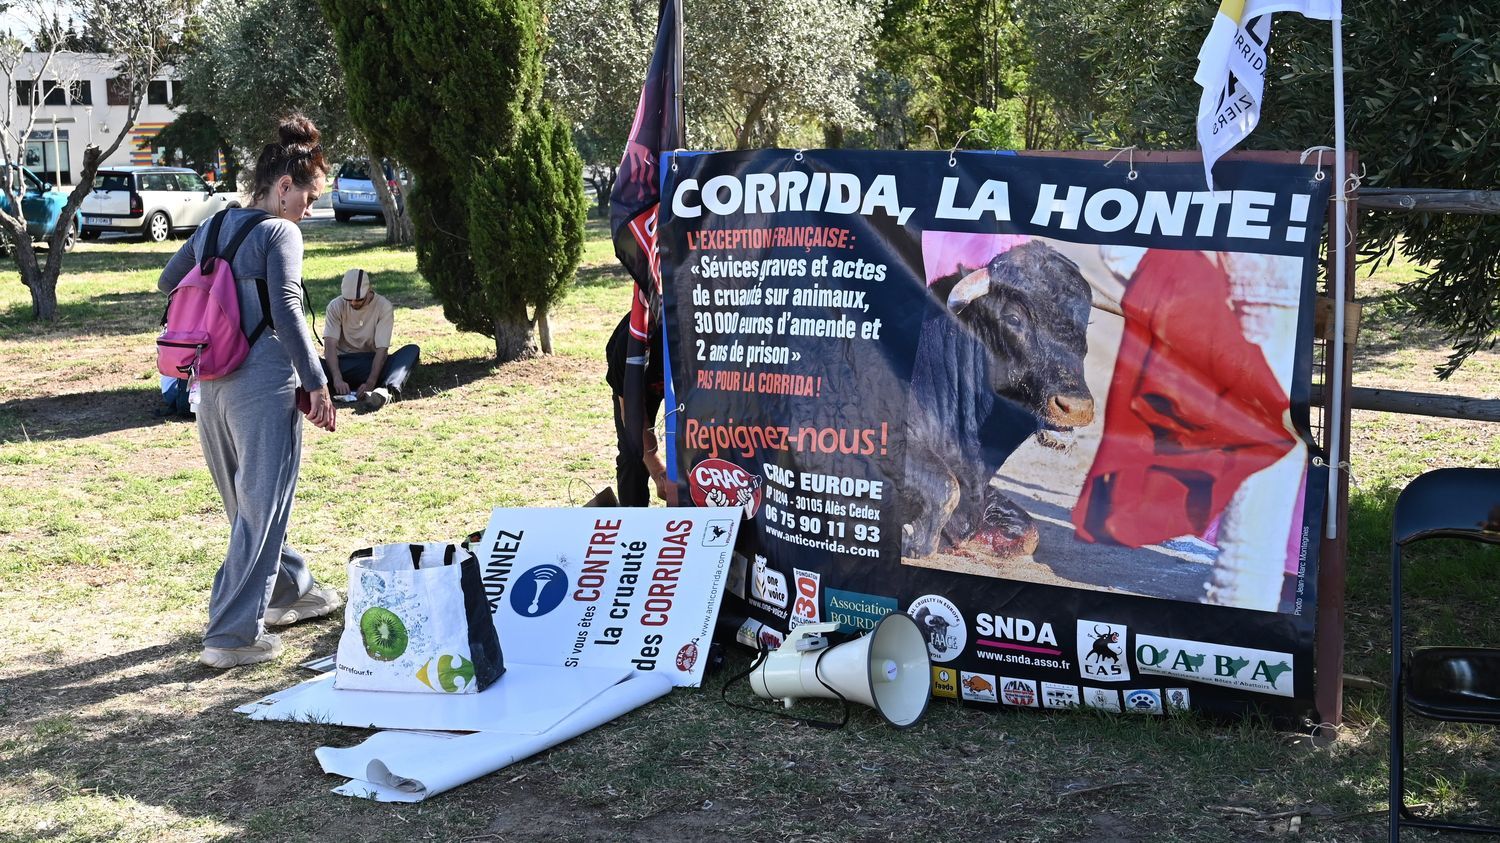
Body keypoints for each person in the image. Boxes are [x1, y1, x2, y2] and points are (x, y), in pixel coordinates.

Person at [157, 114, 341, 669]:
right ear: (285, 187)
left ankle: (291, 590)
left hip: (208, 383)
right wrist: (317, 383)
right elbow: (287, 308)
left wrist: (226, 290)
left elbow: (169, 282)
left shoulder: (215, 225)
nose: (307, 210)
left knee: (248, 505)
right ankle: (232, 636)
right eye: (306, 197)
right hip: (263, 383)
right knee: (262, 509)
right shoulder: (280, 231)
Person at [321, 268, 421, 411]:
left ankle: (385, 391)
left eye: (359, 299)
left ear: (369, 289)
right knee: (308, 358)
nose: (354, 303)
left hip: (372, 364)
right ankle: (325, 386)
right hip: (342, 364)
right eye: (349, 299)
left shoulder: (383, 306)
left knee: (411, 350)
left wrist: (371, 381)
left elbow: (382, 350)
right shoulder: (335, 306)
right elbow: (329, 345)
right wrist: (337, 377)